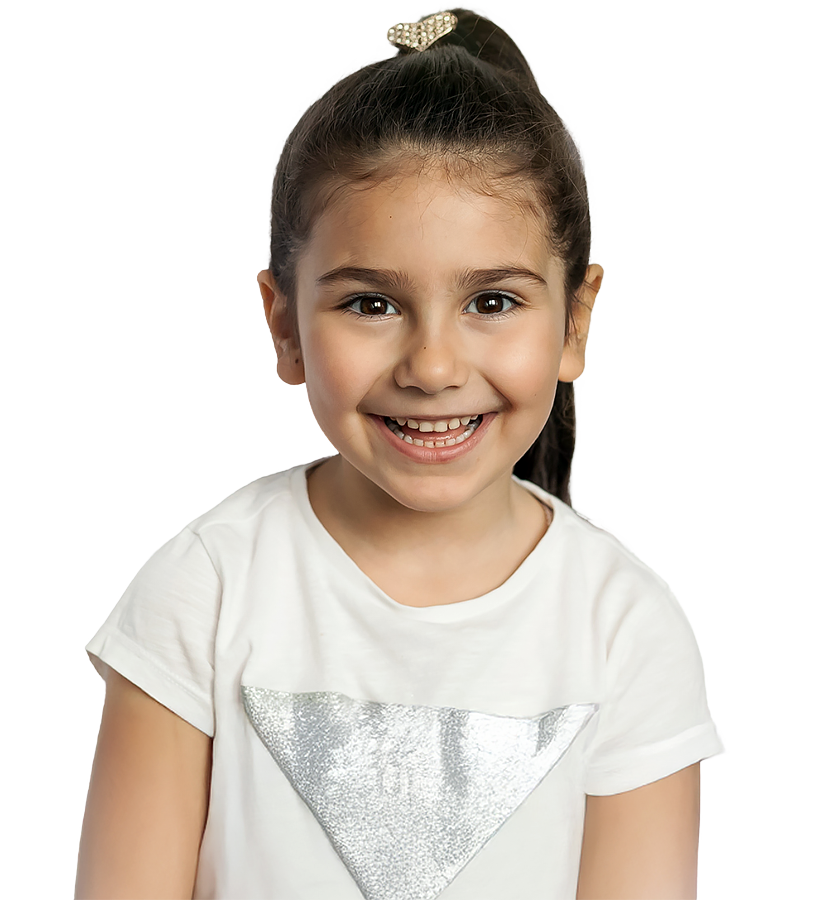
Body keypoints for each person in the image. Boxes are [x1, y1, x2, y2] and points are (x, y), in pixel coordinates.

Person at [74, 8, 724, 899]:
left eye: (493, 302)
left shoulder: (625, 630)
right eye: (371, 304)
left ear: (575, 320)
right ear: (285, 325)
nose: (433, 365)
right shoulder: (206, 591)